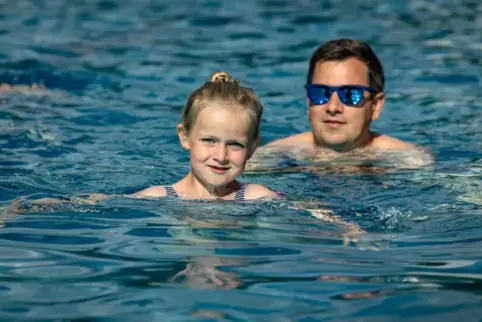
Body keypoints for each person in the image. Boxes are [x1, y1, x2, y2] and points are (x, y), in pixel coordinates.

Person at [252, 38, 432, 170]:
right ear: (308, 101)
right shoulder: (277, 154)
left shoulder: (408, 161)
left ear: (376, 106)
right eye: (320, 93)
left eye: (350, 94)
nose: (333, 107)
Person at [134, 71, 279, 200]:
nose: (221, 157)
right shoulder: (156, 198)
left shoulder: (256, 197)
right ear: (184, 137)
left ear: (253, 147)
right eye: (209, 140)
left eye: (235, 144)